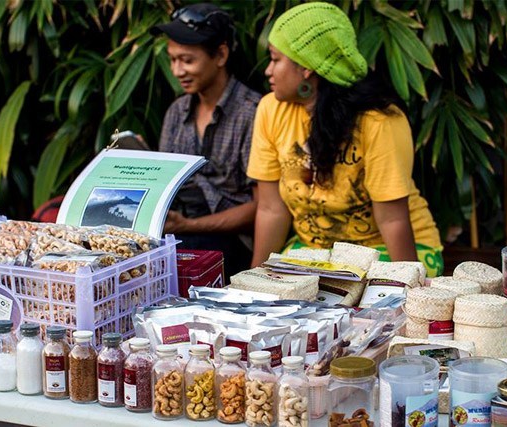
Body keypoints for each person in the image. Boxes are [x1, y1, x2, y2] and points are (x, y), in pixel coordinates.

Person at [247, 2, 444, 276]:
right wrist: (254, 279)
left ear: (306, 68)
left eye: (275, 59)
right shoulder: (270, 109)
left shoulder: (379, 121)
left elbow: (392, 218)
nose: (268, 70)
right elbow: (270, 209)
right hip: (317, 252)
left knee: (363, 306)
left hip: (385, 248)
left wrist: (406, 288)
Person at [151, 3, 261, 277]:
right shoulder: (176, 112)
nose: (177, 71)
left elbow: (262, 208)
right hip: (178, 230)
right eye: (173, 59)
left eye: (187, 60)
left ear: (221, 55)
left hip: (232, 241)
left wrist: (189, 225)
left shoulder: (253, 113)